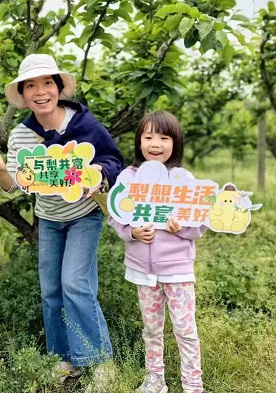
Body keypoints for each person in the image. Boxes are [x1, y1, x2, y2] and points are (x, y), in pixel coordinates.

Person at [0, 54, 124, 381]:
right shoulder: (20, 135)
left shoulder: (83, 124)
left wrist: (99, 172)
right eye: (31, 85)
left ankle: (100, 361)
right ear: (23, 93)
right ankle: (64, 359)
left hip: (83, 216)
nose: (40, 91)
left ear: (58, 88)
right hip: (48, 218)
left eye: (47, 83)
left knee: (75, 283)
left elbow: (112, 158)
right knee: (50, 291)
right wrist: (3, 170)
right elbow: (15, 186)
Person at [108, 111, 206, 393]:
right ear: (139, 141)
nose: (156, 143)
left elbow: (200, 222)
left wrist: (182, 229)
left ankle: (193, 384)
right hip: (143, 271)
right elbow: (116, 215)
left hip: (178, 270)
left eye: (164, 137)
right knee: (151, 329)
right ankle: (155, 379)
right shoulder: (128, 177)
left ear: (175, 143)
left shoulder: (183, 179)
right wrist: (132, 232)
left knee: (185, 330)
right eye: (148, 136)